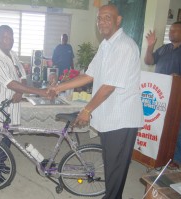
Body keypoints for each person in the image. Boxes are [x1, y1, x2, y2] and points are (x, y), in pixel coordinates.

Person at [48, 5, 143, 199]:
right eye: (99, 18)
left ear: (118, 21)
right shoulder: (106, 45)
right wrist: (58, 87)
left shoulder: (124, 46)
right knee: (110, 165)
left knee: (115, 170)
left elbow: (109, 86)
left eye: (107, 17)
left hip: (122, 119)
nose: (102, 22)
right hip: (110, 117)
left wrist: (87, 110)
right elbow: (90, 75)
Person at [0, 25, 48, 184]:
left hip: (12, 106)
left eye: (11, 36)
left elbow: (22, 75)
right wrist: (39, 92)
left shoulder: (12, 54)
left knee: (6, 139)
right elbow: (10, 83)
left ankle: (0, 164)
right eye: (6, 37)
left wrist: (21, 92)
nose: (10, 40)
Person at [144, 21, 181, 169]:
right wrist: (150, 46)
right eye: (171, 31)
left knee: (180, 128)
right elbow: (148, 61)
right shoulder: (164, 49)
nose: (171, 33)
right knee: (162, 126)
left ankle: (178, 159)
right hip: (161, 96)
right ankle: (160, 154)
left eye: (175, 31)